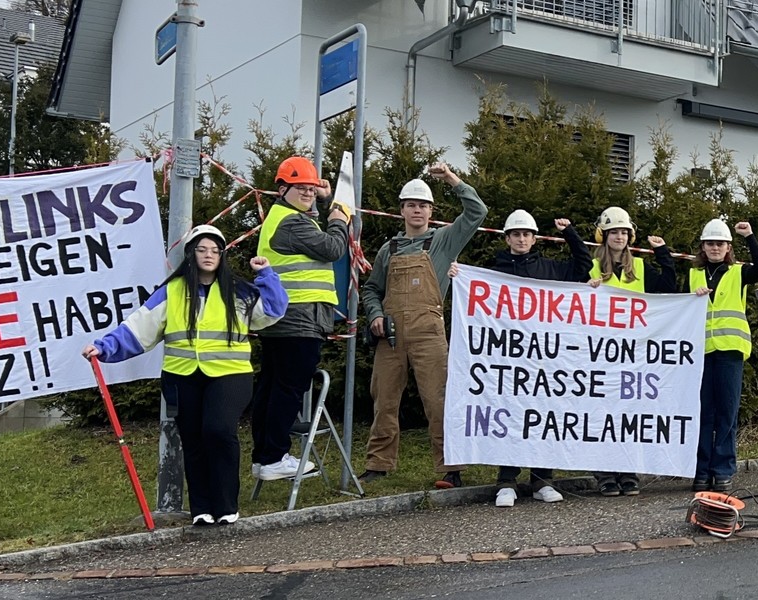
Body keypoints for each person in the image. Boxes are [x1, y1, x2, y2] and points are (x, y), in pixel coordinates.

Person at [82, 225, 288, 526]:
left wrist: (266, 274)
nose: (209, 255)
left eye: (215, 251)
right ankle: (201, 509)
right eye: (203, 250)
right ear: (191, 254)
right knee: (192, 440)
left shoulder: (238, 290)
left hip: (230, 374)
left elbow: (273, 309)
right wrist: (104, 347)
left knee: (218, 431)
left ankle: (226, 504)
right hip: (182, 376)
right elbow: (138, 328)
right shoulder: (172, 291)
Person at [450, 209, 593, 506]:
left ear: (534, 238)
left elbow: (584, 265)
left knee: (543, 417)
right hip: (509, 360)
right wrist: (459, 276)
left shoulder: (550, 269)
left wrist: (570, 233)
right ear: (507, 238)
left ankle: (542, 480)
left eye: (526, 234)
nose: (521, 239)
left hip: (545, 360)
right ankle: (506, 481)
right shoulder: (494, 272)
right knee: (510, 417)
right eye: (516, 234)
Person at [360, 162, 487, 489]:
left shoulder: (444, 241)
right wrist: (374, 314)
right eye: (411, 205)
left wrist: (451, 179)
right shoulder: (389, 249)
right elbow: (372, 289)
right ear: (402, 210)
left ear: (431, 211)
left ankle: (451, 468)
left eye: (423, 205)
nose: (417, 210)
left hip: (429, 334)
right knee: (384, 399)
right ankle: (378, 464)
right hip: (389, 335)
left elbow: (477, 212)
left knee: (438, 399)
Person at [251, 156, 351, 481]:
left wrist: (321, 203)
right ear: (282, 189)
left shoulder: (286, 218)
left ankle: (264, 457)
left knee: (272, 387)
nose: (308, 193)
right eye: (301, 188)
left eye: (311, 188)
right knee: (288, 389)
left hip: (285, 318)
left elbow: (313, 235)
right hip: (299, 319)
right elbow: (334, 248)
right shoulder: (291, 223)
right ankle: (275, 457)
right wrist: (339, 217)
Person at [588, 206, 676, 497]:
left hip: (632, 353)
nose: (620, 236)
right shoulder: (591, 265)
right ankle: (604, 472)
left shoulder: (637, 267)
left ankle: (627, 471)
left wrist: (662, 253)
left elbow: (667, 285)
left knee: (628, 413)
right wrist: (586, 287)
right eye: (614, 231)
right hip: (600, 351)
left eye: (624, 232)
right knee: (602, 412)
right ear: (604, 235)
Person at [687, 220, 758, 492]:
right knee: (703, 413)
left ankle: (722, 470)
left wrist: (749, 236)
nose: (715, 248)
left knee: (726, 413)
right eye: (710, 243)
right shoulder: (693, 273)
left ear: (728, 247)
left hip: (730, 351)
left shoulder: (739, 272)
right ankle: (701, 470)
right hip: (702, 352)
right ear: (703, 246)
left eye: (720, 243)